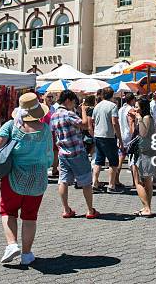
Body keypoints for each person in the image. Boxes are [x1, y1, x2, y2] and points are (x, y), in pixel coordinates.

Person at [0, 92, 53, 265]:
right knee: (30, 216)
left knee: (8, 211)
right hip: (37, 179)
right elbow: (49, 155)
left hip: (13, 177)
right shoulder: (45, 129)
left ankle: (12, 245)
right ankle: (26, 255)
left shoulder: (12, 125)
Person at [50, 90, 99, 219]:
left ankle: (66, 209)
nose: (74, 105)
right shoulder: (68, 114)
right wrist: (83, 110)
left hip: (63, 153)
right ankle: (90, 210)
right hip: (76, 152)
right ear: (68, 100)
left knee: (63, 181)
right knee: (86, 181)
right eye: (73, 102)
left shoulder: (54, 116)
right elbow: (84, 125)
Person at [91, 87, 124, 194]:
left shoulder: (97, 106)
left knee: (99, 161)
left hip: (98, 135)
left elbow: (92, 120)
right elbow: (115, 122)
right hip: (108, 136)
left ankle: (94, 183)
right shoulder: (113, 106)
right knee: (113, 162)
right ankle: (111, 185)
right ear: (112, 95)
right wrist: (119, 138)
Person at [130, 97, 155, 217]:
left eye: (137, 106)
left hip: (142, 152)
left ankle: (146, 208)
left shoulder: (146, 118)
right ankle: (147, 207)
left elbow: (143, 133)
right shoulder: (146, 117)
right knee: (147, 181)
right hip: (146, 151)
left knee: (138, 181)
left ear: (142, 107)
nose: (135, 108)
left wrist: (138, 119)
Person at [117, 93, 136, 187]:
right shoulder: (131, 110)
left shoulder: (120, 109)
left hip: (121, 135)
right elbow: (131, 123)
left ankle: (116, 179)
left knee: (120, 158)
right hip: (129, 136)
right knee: (132, 159)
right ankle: (134, 181)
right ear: (132, 100)